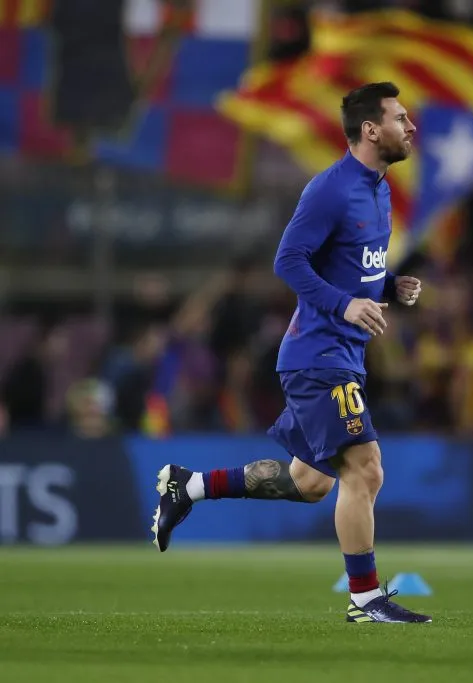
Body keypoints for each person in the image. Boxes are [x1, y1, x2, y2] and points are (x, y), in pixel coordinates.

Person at [152, 82, 431, 624]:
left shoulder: (379, 189)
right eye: (400, 118)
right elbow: (289, 262)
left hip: (342, 355)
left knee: (310, 483)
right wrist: (346, 307)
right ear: (371, 130)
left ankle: (187, 486)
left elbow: (355, 267)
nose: (410, 126)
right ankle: (366, 600)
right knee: (365, 470)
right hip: (317, 354)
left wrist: (390, 285)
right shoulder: (330, 189)